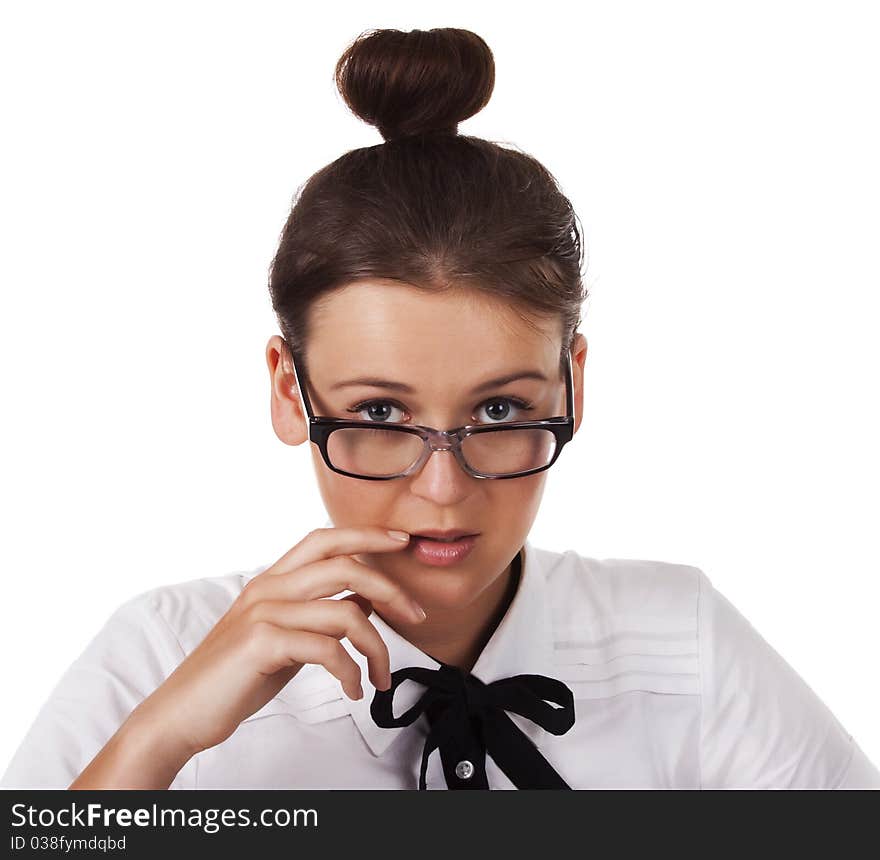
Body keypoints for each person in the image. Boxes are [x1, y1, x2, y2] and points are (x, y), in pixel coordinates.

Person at [2, 27, 878, 791]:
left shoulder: (681, 643)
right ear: (287, 390)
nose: (444, 492)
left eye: (499, 410)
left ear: (572, 382)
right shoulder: (159, 654)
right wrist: (160, 741)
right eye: (380, 415)